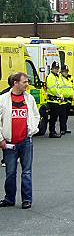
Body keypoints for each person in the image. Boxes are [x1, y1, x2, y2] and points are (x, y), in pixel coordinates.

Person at [0, 73, 40, 209]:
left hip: (26, 141)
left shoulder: (29, 99)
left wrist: (33, 129)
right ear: (15, 83)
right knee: (10, 172)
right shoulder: (3, 99)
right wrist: (1, 139)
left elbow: (36, 114)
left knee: (27, 172)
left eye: (27, 81)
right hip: (10, 142)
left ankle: (26, 199)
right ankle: (9, 198)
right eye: (24, 82)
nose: (27, 84)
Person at [46, 62, 63, 138]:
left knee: (55, 117)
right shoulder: (50, 77)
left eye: (57, 68)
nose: (56, 70)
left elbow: (59, 87)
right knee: (53, 118)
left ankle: (53, 131)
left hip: (57, 100)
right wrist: (59, 95)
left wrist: (61, 95)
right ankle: (52, 132)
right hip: (52, 100)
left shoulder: (57, 77)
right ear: (52, 69)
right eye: (55, 68)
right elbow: (52, 88)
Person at [57, 65, 74, 136]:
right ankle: (62, 129)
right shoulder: (59, 78)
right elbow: (59, 88)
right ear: (62, 72)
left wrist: (72, 96)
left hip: (69, 99)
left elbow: (71, 88)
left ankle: (65, 128)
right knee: (62, 116)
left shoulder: (69, 78)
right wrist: (61, 96)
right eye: (65, 71)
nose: (66, 73)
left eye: (67, 71)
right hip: (62, 99)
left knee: (66, 115)